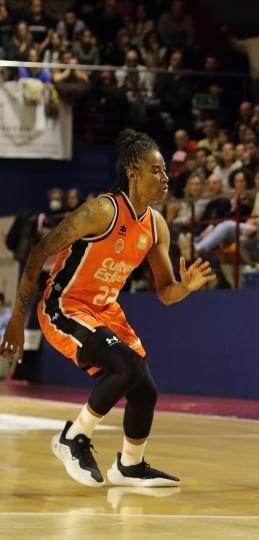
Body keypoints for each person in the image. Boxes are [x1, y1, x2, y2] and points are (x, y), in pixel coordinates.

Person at [0, 129, 215, 487]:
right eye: (156, 170)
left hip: (104, 311)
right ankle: (73, 437)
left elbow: (165, 292)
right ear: (133, 172)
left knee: (145, 390)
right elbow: (39, 252)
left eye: (165, 171)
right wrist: (17, 321)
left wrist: (186, 287)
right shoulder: (101, 211)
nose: (165, 178)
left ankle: (130, 464)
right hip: (64, 306)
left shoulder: (155, 225)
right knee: (128, 366)